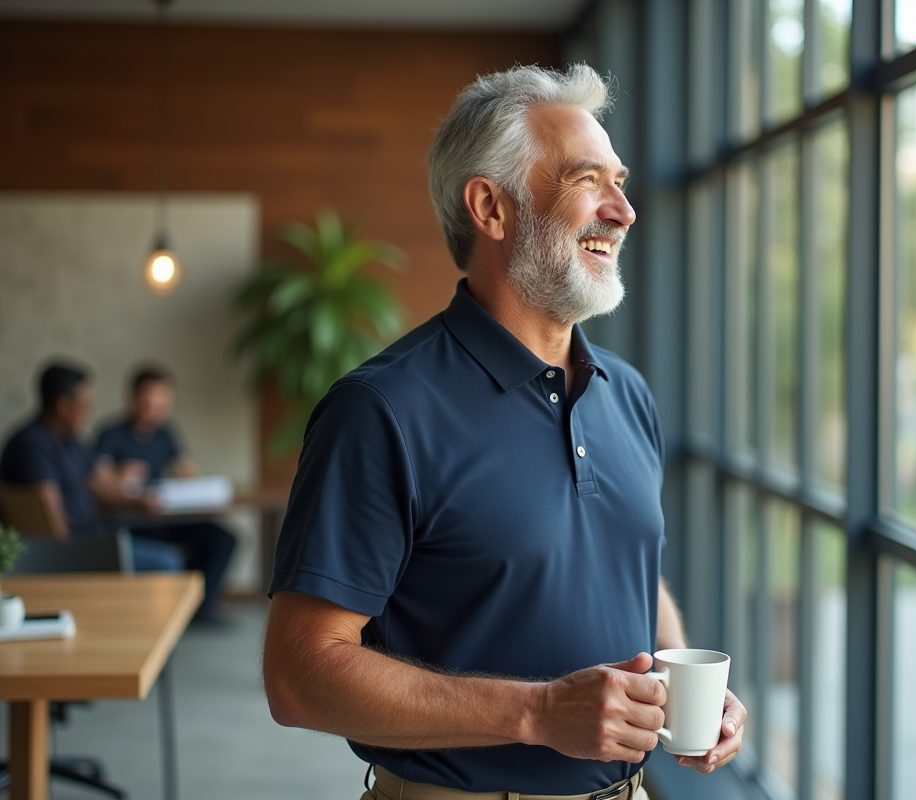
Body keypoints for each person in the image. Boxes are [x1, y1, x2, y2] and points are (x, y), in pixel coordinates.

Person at [262, 64, 746, 800]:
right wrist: (540, 713)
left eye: (620, 181)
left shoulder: (628, 394)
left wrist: (682, 683)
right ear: (491, 206)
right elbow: (299, 675)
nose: (624, 210)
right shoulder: (381, 410)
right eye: (589, 180)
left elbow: (629, 570)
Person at [0, 361, 183, 572]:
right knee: (167, 561)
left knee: (162, 549)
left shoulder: (71, 442)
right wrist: (76, 555)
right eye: (85, 404)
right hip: (71, 549)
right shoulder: (31, 445)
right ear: (63, 406)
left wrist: (138, 501)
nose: (90, 410)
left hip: (94, 535)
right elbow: (50, 526)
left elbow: (101, 485)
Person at [93, 365, 237, 623]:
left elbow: (188, 472)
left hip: (164, 518)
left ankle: (198, 609)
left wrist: (192, 486)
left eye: (161, 404)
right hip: (130, 523)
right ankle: (173, 610)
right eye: (149, 402)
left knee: (224, 539)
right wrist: (120, 480)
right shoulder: (111, 434)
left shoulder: (165, 433)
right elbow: (96, 482)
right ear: (133, 398)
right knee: (169, 555)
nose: (155, 410)